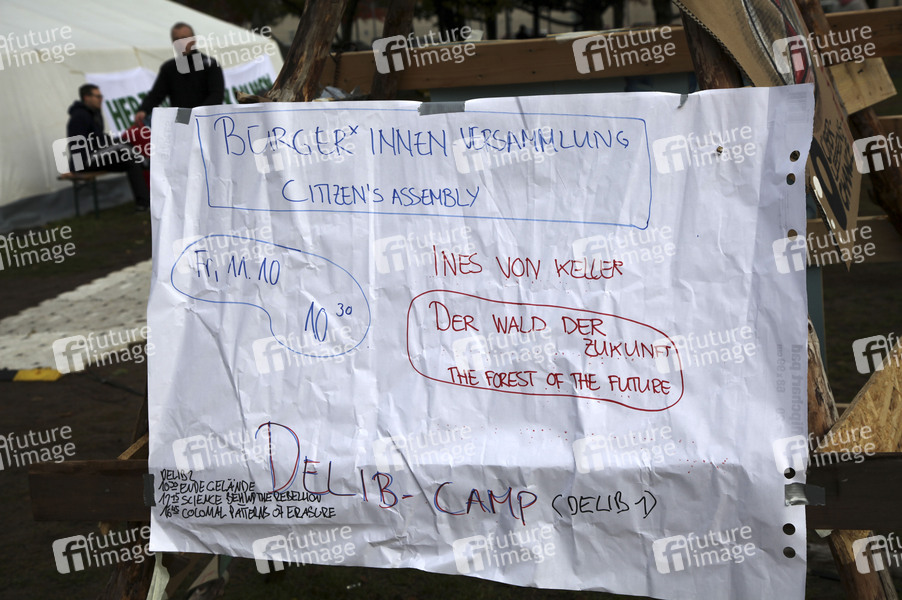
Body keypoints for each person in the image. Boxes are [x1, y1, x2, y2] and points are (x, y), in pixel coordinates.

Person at [66, 84, 150, 210]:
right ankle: (146, 162)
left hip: (96, 155)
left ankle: (144, 204)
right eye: (98, 96)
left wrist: (110, 142)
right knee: (121, 144)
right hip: (84, 160)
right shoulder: (79, 116)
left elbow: (99, 138)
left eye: (101, 96)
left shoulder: (94, 113)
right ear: (86, 97)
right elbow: (75, 145)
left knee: (130, 161)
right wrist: (76, 168)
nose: (101, 99)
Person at [134, 22, 224, 126]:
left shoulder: (210, 65)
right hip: (180, 124)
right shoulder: (169, 68)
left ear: (193, 40)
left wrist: (195, 115)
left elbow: (216, 96)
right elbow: (156, 95)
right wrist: (144, 110)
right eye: (176, 39)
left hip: (206, 123)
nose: (180, 43)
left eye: (184, 38)